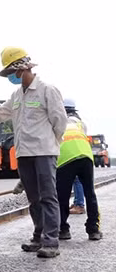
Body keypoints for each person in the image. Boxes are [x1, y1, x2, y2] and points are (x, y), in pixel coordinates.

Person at [0, 47, 66, 258]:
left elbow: (60, 122)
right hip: (24, 154)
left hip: (44, 152)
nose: (10, 76)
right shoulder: (16, 96)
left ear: (21, 68)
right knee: (33, 198)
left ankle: (51, 242)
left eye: (11, 72)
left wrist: (51, 143)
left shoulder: (47, 90)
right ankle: (38, 237)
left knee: (48, 197)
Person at [56, 98, 102, 240]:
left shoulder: (56, 120)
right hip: (85, 156)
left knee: (62, 196)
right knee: (90, 193)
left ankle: (63, 229)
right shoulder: (80, 123)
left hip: (65, 158)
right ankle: (93, 230)